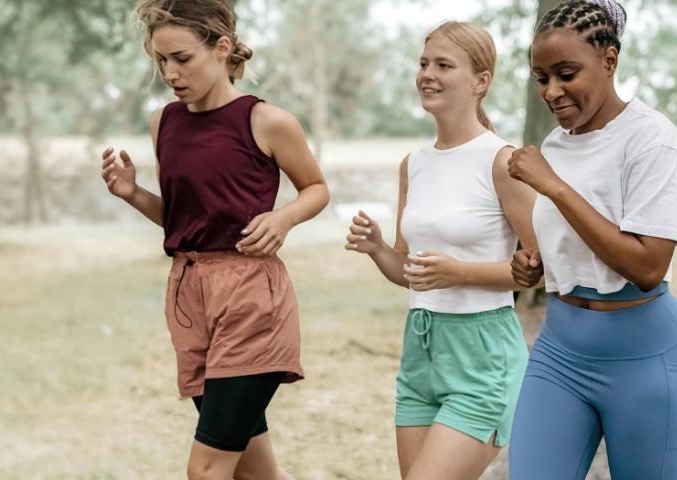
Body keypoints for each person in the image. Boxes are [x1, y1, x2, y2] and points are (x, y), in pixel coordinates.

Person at [100, 1, 329, 479]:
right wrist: (133, 193)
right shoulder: (164, 123)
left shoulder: (266, 121)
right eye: (161, 60)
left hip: (250, 301)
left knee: (206, 470)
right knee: (254, 472)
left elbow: (317, 189)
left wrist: (284, 219)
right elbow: (184, 221)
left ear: (221, 48)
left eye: (181, 58)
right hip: (189, 298)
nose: (169, 72)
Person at [503, 1, 677, 478]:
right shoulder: (555, 145)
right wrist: (536, 265)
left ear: (609, 61)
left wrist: (552, 186)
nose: (552, 91)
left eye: (566, 73)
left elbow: (648, 267)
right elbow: (577, 244)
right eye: (541, 77)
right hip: (560, 351)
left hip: (644, 360)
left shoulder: (650, 139)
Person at [343, 21, 538, 480]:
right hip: (420, 348)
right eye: (424, 63)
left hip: (483, 355)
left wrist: (460, 273)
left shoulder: (502, 162)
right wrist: (377, 250)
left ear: (481, 81)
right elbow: (411, 271)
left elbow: (542, 269)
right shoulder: (414, 164)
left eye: (443, 65)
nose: (427, 74)